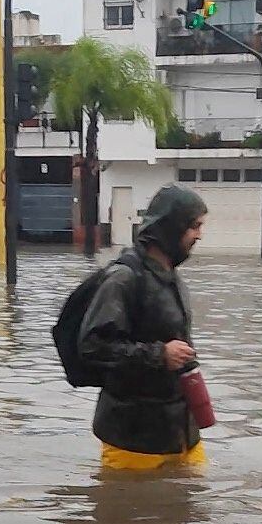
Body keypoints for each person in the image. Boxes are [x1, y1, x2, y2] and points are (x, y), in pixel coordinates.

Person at [77, 183, 208, 472]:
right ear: (172, 227)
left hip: (183, 434)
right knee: (132, 512)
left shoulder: (172, 277)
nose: (199, 234)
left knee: (195, 508)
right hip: (133, 440)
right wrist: (159, 355)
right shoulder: (123, 280)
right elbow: (92, 347)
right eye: (194, 226)